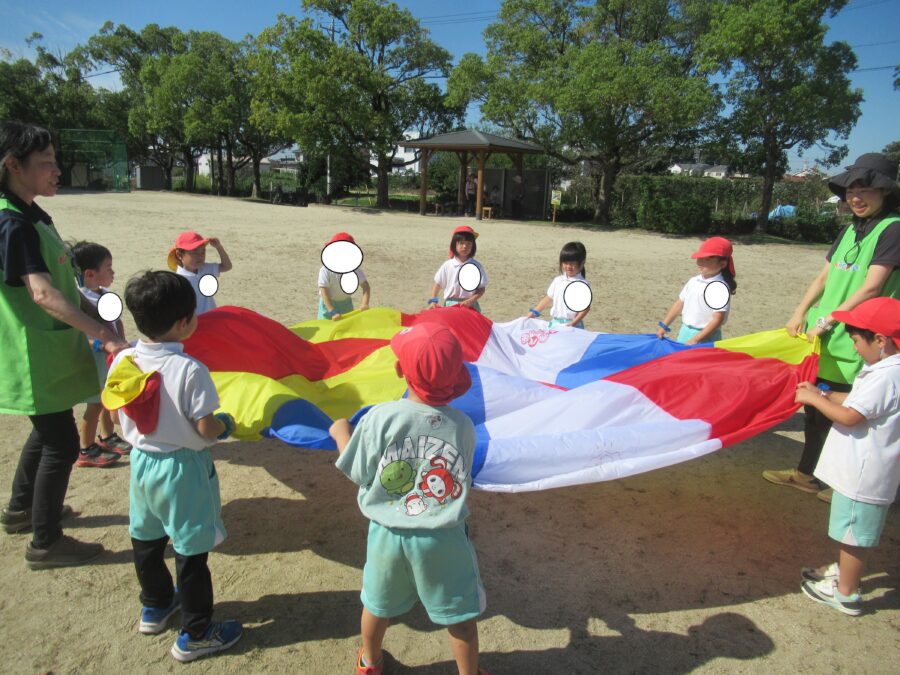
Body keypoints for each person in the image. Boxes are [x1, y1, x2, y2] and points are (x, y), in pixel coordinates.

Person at [0, 121, 127, 568]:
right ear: (13, 165)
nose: (57, 170)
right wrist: (103, 335)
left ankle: (21, 509)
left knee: (47, 432)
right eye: (46, 163)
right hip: (31, 354)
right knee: (61, 443)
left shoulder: (33, 214)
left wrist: (100, 319)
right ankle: (46, 541)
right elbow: (42, 294)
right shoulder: (12, 222)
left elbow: (66, 286)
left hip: (47, 351)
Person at [329, 322, 486, 675]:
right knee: (460, 615)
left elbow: (357, 470)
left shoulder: (380, 418)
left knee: (377, 605)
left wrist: (341, 433)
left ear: (400, 370)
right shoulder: (463, 426)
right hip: (443, 538)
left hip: (387, 536)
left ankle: (370, 662)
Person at [102, 270, 242, 662]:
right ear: (184, 323)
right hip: (183, 470)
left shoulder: (124, 360)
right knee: (191, 550)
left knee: (146, 538)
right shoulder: (190, 370)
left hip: (142, 464)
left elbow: (113, 415)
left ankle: (156, 604)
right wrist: (226, 424)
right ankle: (196, 633)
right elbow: (206, 428)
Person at [763, 153, 900, 501]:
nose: (856, 197)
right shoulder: (850, 229)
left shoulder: (893, 228)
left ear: (885, 191)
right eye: (851, 191)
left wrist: (827, 321)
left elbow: (872, 286)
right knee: (816, 407)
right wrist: (800, 312)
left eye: (865, 190)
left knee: (854, 412)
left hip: (859, 339)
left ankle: (845, 486)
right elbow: (824, 277)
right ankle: (806, 474)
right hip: (825, 337)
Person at [796, 297, 899, 616]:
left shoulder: (885, 375)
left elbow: (851, 416)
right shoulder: (888, 369)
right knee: (854, 532)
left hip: (863, 475)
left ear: (880, 340)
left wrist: (814, 400)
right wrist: (823, 393)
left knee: (854, 534)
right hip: (867, 473)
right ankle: (845, 574)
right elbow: (858, 400)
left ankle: (846, 593)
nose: (854, 347)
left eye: (856, 341)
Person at [71, 241, 130, 468]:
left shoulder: (104, 295)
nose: (113, 272)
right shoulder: (79, 300)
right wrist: (101, 345)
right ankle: (86, 449)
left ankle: (107, 437)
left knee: (108, 399)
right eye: (108, 268)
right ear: (89, 273)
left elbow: (117, 321)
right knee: (95, 404)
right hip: (95, 360)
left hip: (110, 357)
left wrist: (121, 340)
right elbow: (79, 335)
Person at [655, 237, 737, 344]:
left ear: (722, 264)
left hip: (706, 336)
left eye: (707, 259)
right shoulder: (694, 281)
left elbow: (717, 319)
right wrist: (664, 326)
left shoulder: (719, 287)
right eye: (700, 258)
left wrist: (696, 339)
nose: (700, 262)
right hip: (685, 331)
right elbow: (679, 304)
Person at [523, 241, 591, 328]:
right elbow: (548, 299)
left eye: (572, 263)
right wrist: (534, 313)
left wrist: (573, 323)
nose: (568, 266)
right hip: (555, 323)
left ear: (582, 263)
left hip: (573, 325)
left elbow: (585, 308)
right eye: (565, 263)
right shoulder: (558, 280)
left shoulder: (582, 284)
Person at [166, 230, 232, 315]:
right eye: (195, 253)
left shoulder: (205, 268)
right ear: (179, 255)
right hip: (195, 321)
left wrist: (219, 247)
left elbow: (227, 266)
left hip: (212, 315)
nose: (200, 256)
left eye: (203, 252)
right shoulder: (178, 281)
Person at [428, 225, 488, 313]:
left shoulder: (477, 266)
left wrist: (471, 300)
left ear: (473, 246)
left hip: (470, 305)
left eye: (469, 243)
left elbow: (481, 288)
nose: (465, 246)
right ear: (454, 244)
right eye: (461, 243)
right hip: (451, 305)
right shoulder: (448, 265)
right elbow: (438, 284)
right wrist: (433, 301)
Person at [318, 232, 371, 320]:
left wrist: (364, 303)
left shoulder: (354, 269)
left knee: (346, 327)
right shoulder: (325, 270)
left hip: (346, 304)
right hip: (328, 305)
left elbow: (366, 287)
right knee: (325, 327)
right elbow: (324, 291)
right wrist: (332, 311)